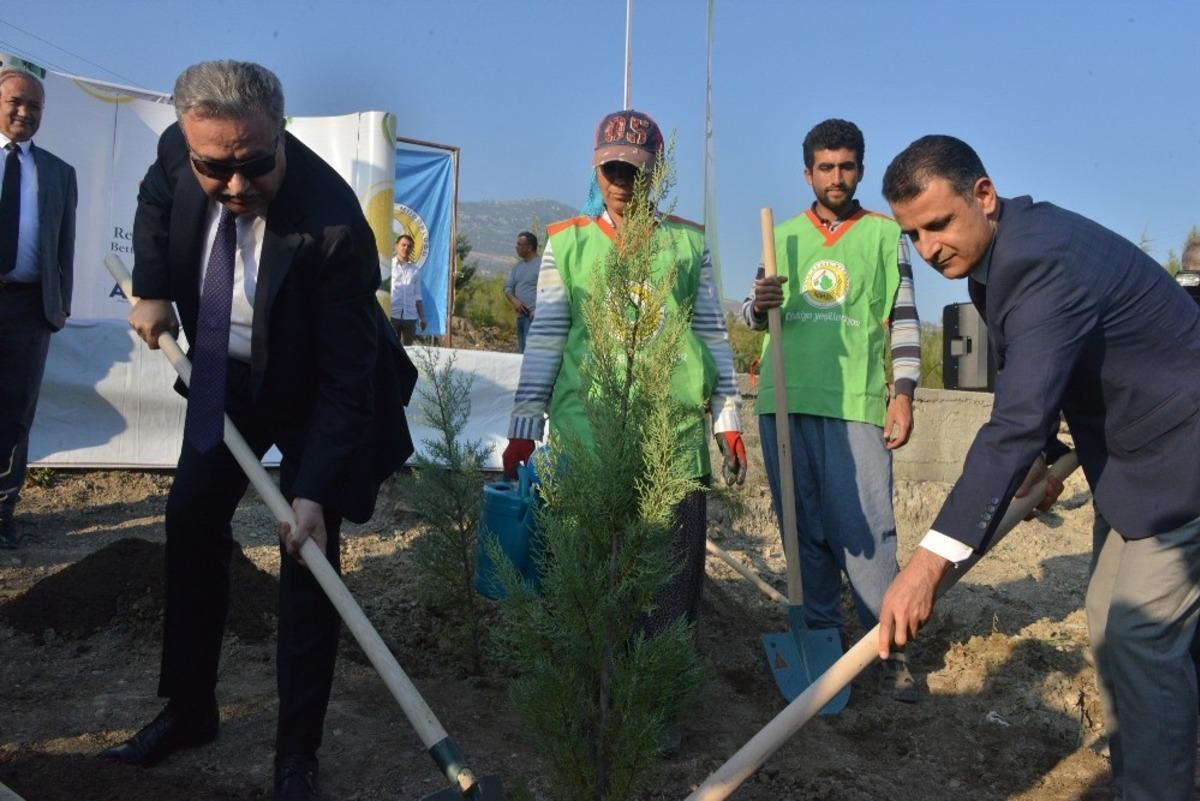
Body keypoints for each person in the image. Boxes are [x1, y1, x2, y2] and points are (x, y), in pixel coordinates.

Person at [99, 61, 416, 801]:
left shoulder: (335, 224)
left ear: (280, 134)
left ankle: (295, 755)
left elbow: (346, 377)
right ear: (188, 140)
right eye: (217, 168)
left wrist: (311, 492)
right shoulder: (180, 155)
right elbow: (154, 206)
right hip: (225, 369)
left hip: (314, 391)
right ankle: (189, 709)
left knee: (309, 557)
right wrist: (151, 287)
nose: (236, 185)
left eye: (254, 165)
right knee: (190, 518)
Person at [877, 134, 1200, 801]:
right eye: (914, 234)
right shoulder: (998, 263)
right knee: (1112, 617)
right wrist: (1051, 461)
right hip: (1140, 455)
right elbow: (1069, 382)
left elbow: (1015, 419)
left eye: (938, 223)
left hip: (1183, 460)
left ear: (984, 196)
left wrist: (929, 562)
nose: (929, 246)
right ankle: (1147, 768)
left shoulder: (1040, 260)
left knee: (1142, 632)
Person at [501, 107, 746, 685]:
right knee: (585, 571)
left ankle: (651, 692)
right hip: (587, 434)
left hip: (674, 437)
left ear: (656, 171)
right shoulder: (569, 244)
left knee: (669, 574)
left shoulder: (688, 245)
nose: (620, 183)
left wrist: (727, 415)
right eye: (610, 169)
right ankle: (588, 688)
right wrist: (524, 425)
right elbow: (548, 338)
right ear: (595, 168)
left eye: (634, 170)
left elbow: (710, 333)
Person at [742, 118, 921, 702]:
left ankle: (886, 647)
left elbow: (905, 320)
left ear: (861, 170)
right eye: (826, 167)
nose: (836, 177)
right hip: (784, 401)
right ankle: (821, 642)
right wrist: (756, 304)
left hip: (855, 404)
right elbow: (752, 311)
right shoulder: (783, 235)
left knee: (866, 530)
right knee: (803, 530)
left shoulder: (884, 234)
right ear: (808, 173)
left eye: (846, 166)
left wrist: (903, 393)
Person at [0, 68, 76, 550]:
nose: (25, 112)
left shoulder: (58, 172)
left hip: (29, 309)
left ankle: (2, 512)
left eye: (35, 107)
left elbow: (64, 245)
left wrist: (59, 306)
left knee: (15, 415)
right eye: (16, 102)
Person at [503, 230, 539, 352]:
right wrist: (514, 300)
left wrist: (537, 311)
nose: (516, 247)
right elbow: (507, 287)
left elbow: (548, 290)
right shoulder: (517, 267)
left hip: (534, 318)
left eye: (519, 244)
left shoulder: (541, 265)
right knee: (522, 354)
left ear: (529, 247)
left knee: (531, 354)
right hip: (521, 317)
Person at [389, 233, 424, 345]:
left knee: (409, 351)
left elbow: (417, 296)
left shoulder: (415, 270)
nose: (406, 248)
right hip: (392, 315)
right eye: (403, 245)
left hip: (410, 317)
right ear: (397, 246)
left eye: (409, 246)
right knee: (391, 348)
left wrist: (422, 317)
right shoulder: (388, 266)